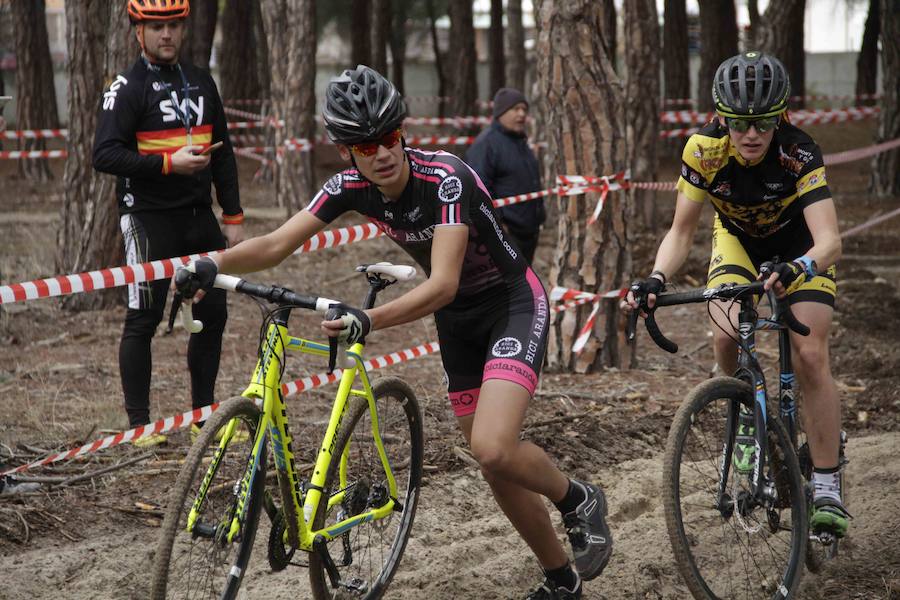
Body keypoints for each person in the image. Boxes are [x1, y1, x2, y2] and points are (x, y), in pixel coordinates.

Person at [176, 65, 612, 599]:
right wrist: (208, 262)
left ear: (403, 132)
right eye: (365, 146)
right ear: (346, 152)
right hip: (458, 323)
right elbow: (275, 244)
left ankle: (578, 499)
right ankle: (561, 578)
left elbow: (446, 282)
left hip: (511, 303)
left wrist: (371, 319)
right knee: (492, 462)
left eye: (390, 137)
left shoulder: (446, 178)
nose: (381, 153)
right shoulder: (349, 187)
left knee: (496, 448)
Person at [623, 52, 848, 539]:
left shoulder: (798, 151)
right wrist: (656, 278)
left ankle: (828, 485)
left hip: (798, 249)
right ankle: (743, 409)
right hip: (739, 242)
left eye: (764, 121)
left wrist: (800, 267)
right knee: (725, 331)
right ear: (721, 117)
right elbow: (681, 232)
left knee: (810, 353)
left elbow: (830, 241)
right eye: (740, 122)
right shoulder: (702, 150)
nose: (751, 133)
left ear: (780, 116)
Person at [93, 0, 244, 447]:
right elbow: (103, 154)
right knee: (144, 317)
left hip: (199, 219)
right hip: (147, 218)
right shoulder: (126, 86)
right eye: (156, 26)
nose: (166, 35)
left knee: (212, 312)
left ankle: (204, 417)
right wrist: (165, 164)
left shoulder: (200, 80)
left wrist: (232, 216)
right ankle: (139, 425)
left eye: (174, 25)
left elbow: (225, 152)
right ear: (139, 31)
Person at [466, 88, 545, 265]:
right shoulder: (486, 144)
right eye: (515, 109)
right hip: (505, 233)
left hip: (529, 231)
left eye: (524, 109)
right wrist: (499, 224)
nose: (522, 114)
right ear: (501, 112)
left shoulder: (521, 141)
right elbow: (479, 188)